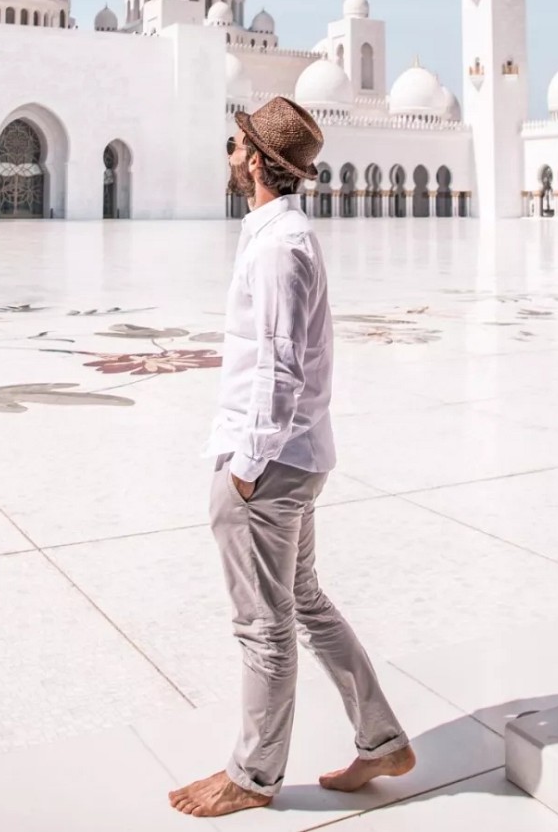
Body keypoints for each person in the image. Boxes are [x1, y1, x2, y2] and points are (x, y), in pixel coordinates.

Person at [170, 96, 415, 819]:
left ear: (253, 159)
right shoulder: (280, 236)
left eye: (233, 144)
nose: (227, 154)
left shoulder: (280, 247)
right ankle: (381, 740)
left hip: (269, 466)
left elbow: (279, 367)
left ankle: (253, 774)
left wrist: (246, 467)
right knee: (303, 603)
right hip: (296, 456)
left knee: (264, 623)